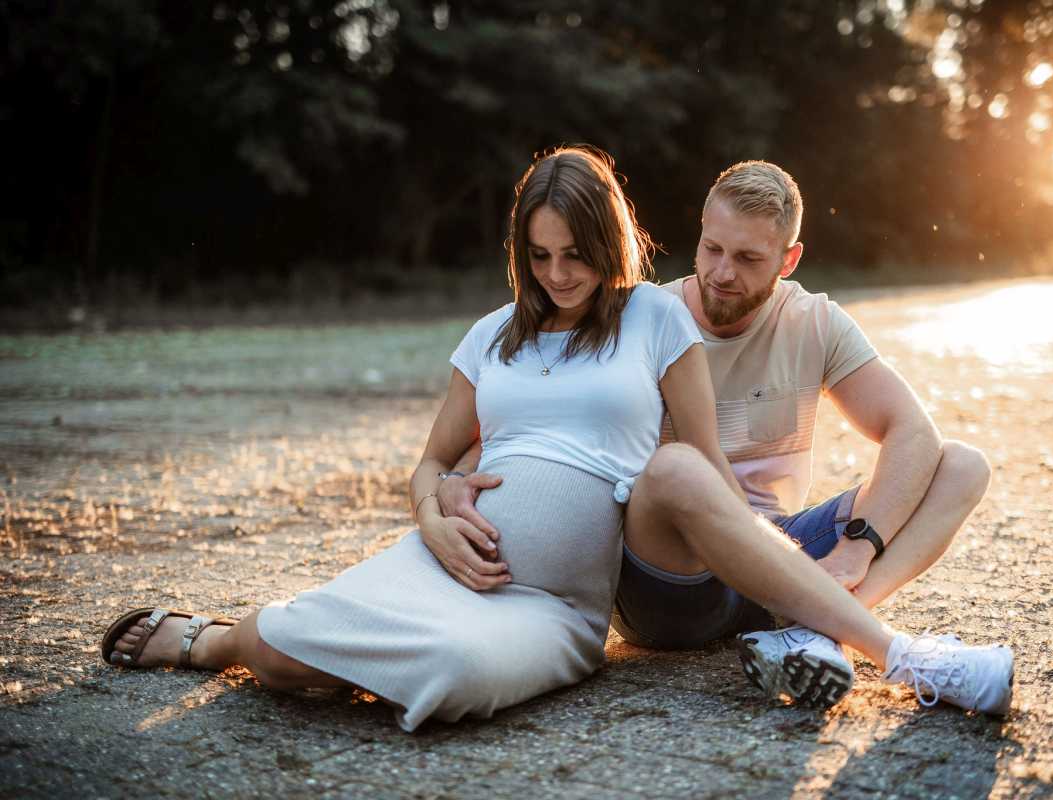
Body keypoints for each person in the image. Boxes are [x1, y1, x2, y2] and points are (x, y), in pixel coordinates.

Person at [100, 145, 738, 731]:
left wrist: (787, 563)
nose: (557, 274)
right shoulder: (491, 335)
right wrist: (433, 522)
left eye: (575, 254)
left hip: (555, 606)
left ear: (609, 241)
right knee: (275, 647)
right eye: (539, 256)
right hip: (439, 564)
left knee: (454, 675)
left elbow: (707, 465)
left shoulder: (654, 315)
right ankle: (214, 641)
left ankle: (350, 657)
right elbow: (431, 463)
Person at [437, 160, 1015, 715]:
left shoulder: (815, 322)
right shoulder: (648, 316)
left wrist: (857, 548)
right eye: (712, 248)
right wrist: (452, 484)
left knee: (963, 464)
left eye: (747, 258)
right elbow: (522, 421)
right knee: (675, 468)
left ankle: (813, 632)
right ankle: (871, 641)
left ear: (789, 259)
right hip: (671, 569)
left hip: (778, 545)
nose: (721, 272)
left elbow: (911, 429)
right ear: (700, 234)